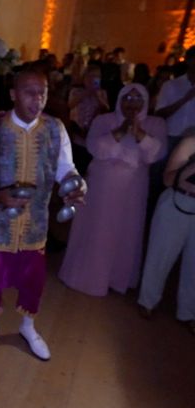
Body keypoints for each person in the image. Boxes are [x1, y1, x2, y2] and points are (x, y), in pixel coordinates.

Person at [0, 68, 86, 361]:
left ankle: (28, 326)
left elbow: (65, 168)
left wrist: (75, 185)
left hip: (35, 224)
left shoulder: (55, 128)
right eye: (29, 92)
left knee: (33, 280)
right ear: (13, 94)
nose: (37, 99)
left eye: (43, 92)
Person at [58, 84, 167, 296]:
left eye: (137, 99)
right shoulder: (104, 120)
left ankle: (117, 279)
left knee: (126, 231)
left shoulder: (156, 124)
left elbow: (155, 155)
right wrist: (120, 131)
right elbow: (95, 149)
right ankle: (86, 278)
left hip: (133, 188)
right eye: (127, 98)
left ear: (145, 102)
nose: (132, 104)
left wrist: (139, 133)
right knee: (99, 229)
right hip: (102, 186)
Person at [138, 133, 195, 333]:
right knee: (161, 256)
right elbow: (168, 179)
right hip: (176, 202)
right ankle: (147, 301)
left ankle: (189, 313)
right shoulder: (190, 142)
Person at [67, 65, 109, 175]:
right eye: (91, 76)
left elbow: (106, 110)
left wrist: (97, 96)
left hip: (93, 133)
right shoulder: (76, 91)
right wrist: (86, 93)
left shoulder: (102, 93)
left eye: (97, 76)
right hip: (77, 132)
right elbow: (69, 105)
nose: (94, 79)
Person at [154, 46, 195, 153]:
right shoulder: (171, 85)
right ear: (189, 61)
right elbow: (160, 113)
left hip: (192, 139)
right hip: (171, 136)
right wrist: (184, 100)